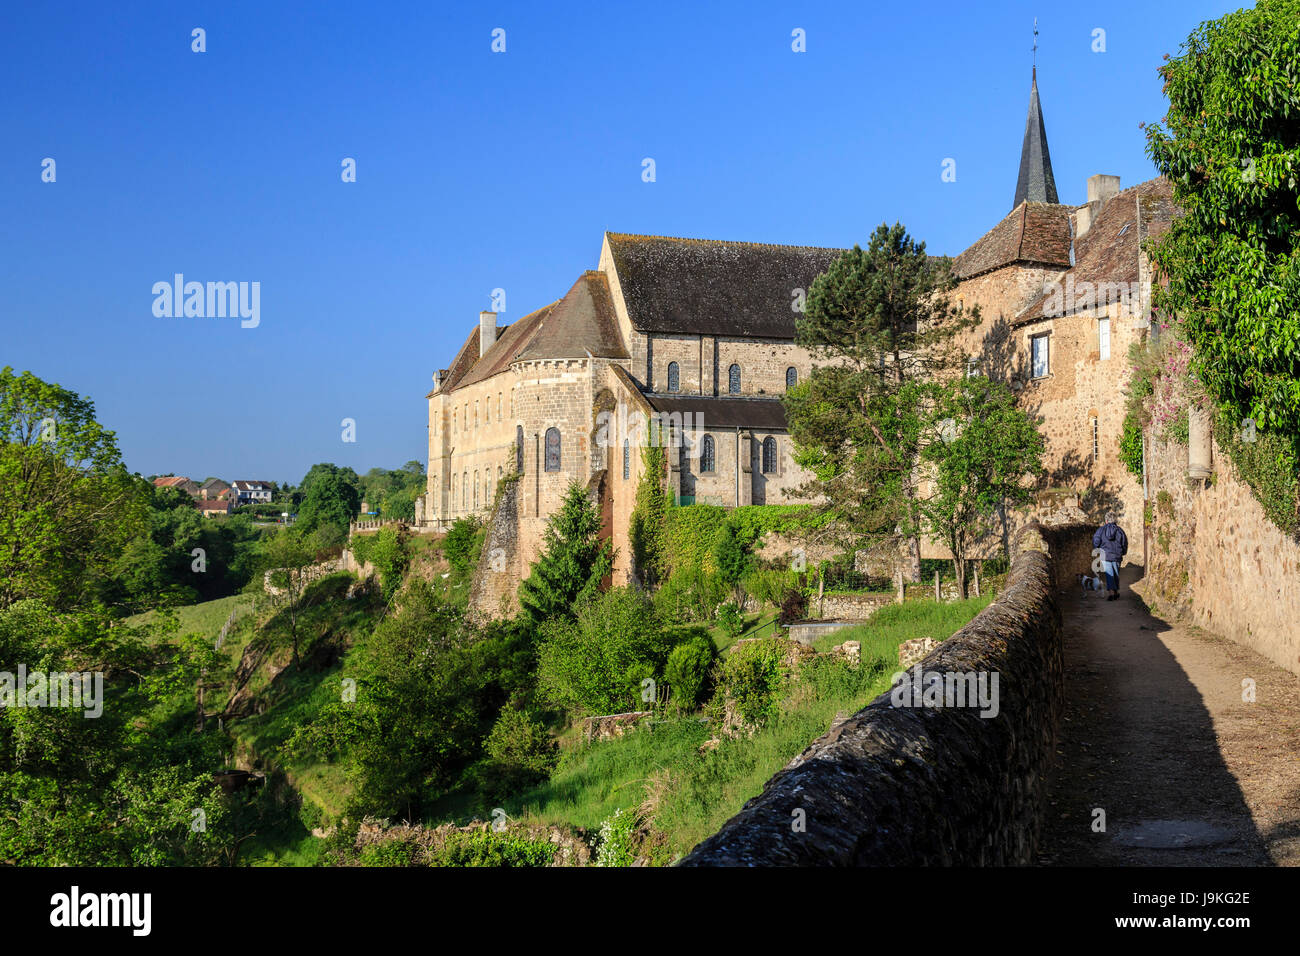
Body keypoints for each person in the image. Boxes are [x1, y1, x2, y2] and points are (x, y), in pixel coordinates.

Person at [1092, 511, 1128, 601]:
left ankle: (1111, 593)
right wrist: (1123, 552)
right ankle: (1115, 592)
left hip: (1105, 555)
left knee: (1109, 574)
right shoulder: (1120, 530)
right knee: (1116, 574)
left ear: (1106, 520)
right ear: (1115, 520)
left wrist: (1098, 548)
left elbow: (1096, 541)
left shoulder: (1101, 530)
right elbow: (1124, 543)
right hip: (1117, 556)